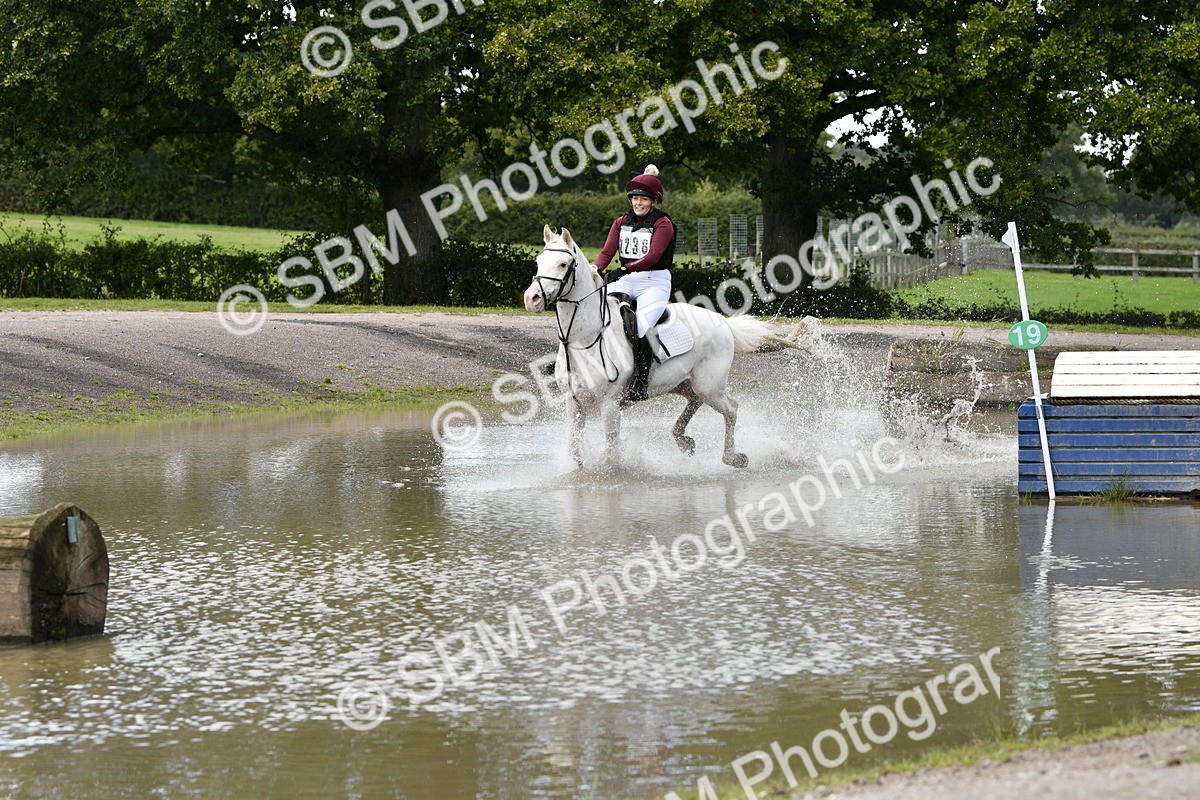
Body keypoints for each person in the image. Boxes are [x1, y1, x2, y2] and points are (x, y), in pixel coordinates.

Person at [595, 164, 677, 401]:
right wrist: (595, 269)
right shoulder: (621, 221)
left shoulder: (663, 223)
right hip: (628, 279)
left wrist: (624, 268)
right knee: (595, 307)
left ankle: (641, 381)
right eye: (635, 198)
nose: (638, 203)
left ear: (653, 201)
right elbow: (607, 252)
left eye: (644, 199)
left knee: (640, 325)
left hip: (654, 281)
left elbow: (653, 255)